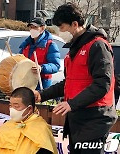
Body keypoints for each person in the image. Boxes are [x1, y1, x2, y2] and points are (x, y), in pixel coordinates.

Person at [34, 2, 117, 154]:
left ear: (74, 24)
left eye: (62, 27)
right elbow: (68, 83)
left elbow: (102, 84)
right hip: (77, 116)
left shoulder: (97, 45)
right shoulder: (75, 47)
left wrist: (72, 104)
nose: (60, 32)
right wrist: (42, 95)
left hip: (95, 117)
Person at [0, 87, 58, 154]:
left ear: (29, 109)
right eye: (10, 106)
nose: (12, 109)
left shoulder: (41, 129)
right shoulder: (7, 125)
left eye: (16, 106)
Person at [19, 17, 60, 90]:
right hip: (26, 81)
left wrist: (42, 68)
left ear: (42, 28)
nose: (32, 30)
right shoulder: (26, 44)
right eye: (31, 27)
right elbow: (19, 59)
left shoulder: (50, 45)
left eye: (35, 27)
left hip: (42, 83)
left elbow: (56, 65)